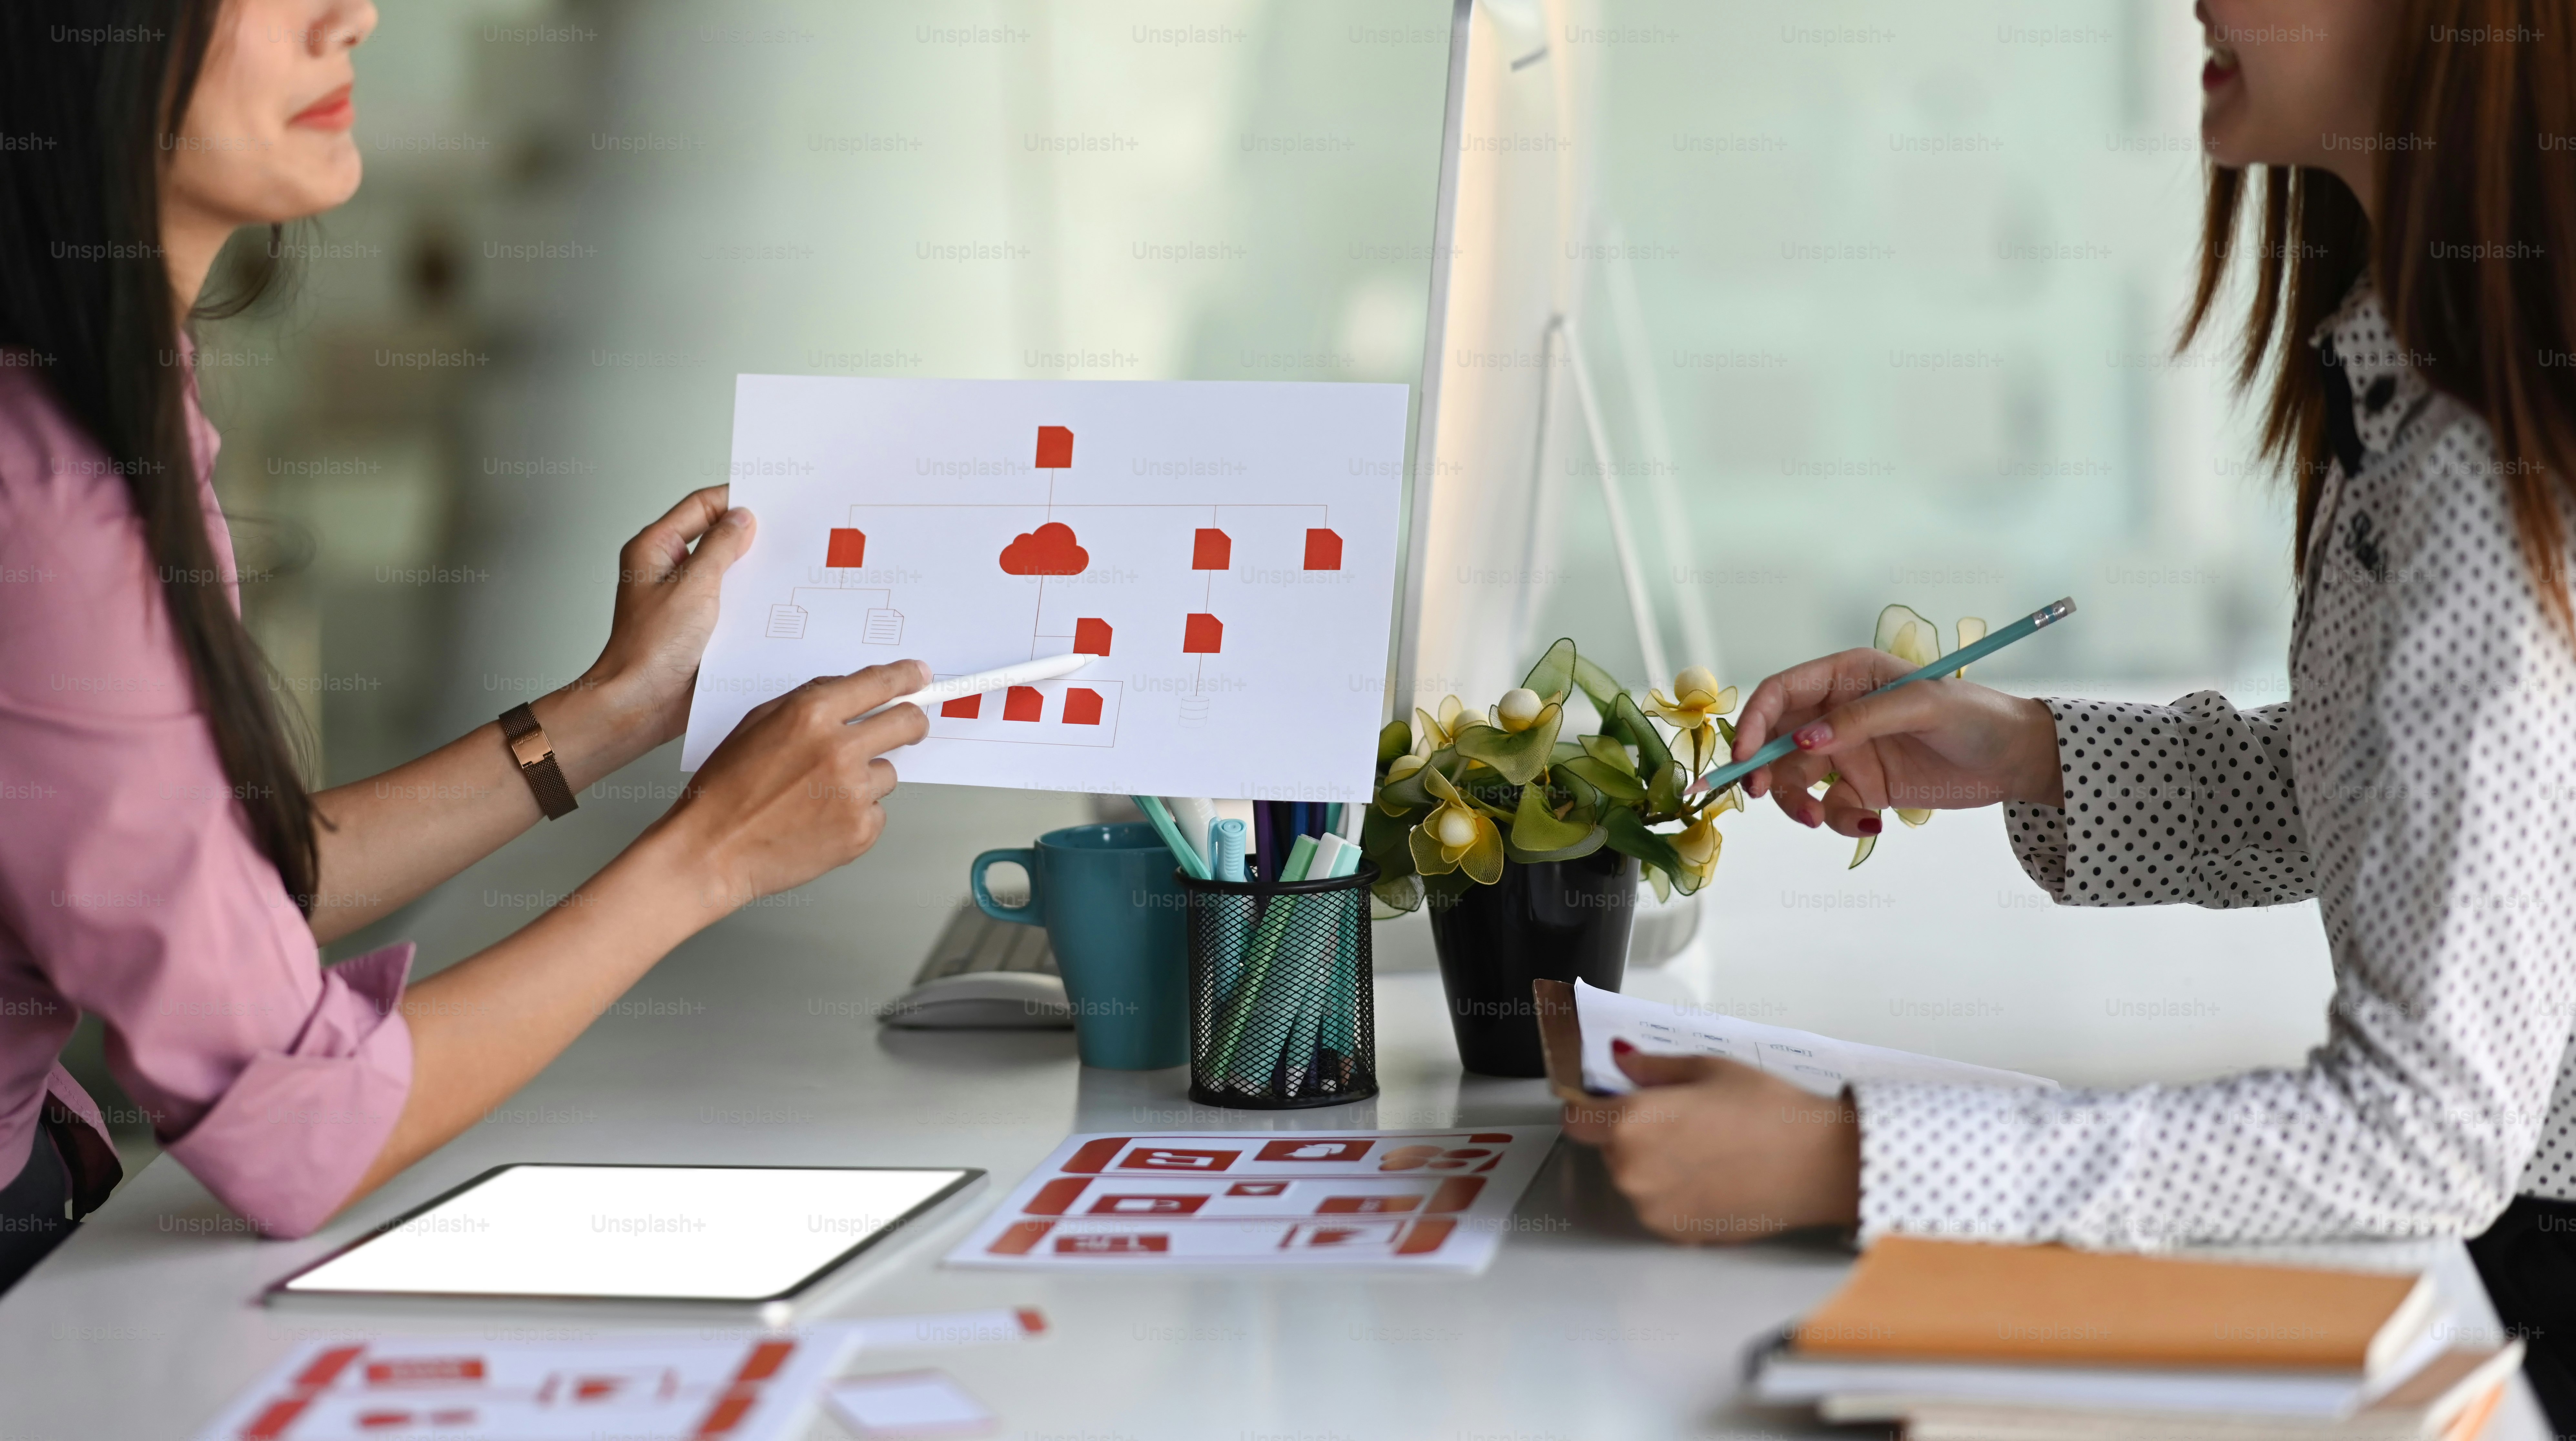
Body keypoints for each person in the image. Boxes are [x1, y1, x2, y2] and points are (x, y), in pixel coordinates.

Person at [1567, 0, 2576, 1423]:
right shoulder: (2418, 376)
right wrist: (2027, 752)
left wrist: (1849, 1164)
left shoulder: (2480, 462)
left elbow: (2425, 1133)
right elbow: (2412, 804)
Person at [0, 0, 929, 1291]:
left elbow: (215, 887)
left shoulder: (91, 401)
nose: (350, 17)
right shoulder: (50, 500)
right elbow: (297, 1132)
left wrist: (616, 708)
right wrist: (711, 856)